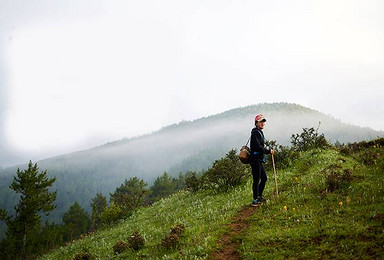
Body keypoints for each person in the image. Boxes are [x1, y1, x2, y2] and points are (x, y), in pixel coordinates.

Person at [250, 114, 274, 206]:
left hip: (258, 159)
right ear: (256, 123)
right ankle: (255, 200)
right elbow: (257, 147)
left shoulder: (259, 132)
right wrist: (268, 151)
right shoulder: (256, 133)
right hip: (255, 159)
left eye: (263, 121)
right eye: (260, 121)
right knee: (256, 179)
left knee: (263, 178)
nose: (262, 123)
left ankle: (259, 196)